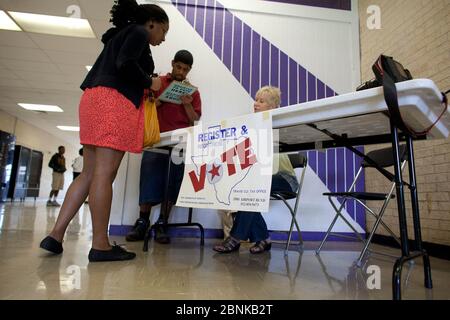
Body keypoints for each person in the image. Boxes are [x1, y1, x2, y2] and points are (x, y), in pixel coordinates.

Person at [39, 0, 169, 262]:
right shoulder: (139, 32)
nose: (163, 38)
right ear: (152, 23)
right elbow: (126, 64)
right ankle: (100, 245)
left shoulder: (120, 35)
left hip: (93, 100)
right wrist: (151, 82)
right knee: (103, 174)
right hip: (114, 103)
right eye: (164, 31)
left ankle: (55, 235)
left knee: (88, 173)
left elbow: (120, 65)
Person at [126, 49, 202, 244]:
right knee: (149, 179)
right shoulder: (157, 83)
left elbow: (195, 118)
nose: (181, 72)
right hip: (156, 140)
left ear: (189, 70)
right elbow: (143, 108)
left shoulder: (192, 91)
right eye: (179, 67)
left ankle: (162, 223)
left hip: (180, 144)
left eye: (185, 69)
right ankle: (142, 222)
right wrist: (161, 100)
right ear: (172, 63)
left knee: (172, 183)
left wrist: (186, 104)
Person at [213, 86, 299, 254]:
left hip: (285, 180)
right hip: (263, 178)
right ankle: (263, 238)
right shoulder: (253, 127)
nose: (256, 104)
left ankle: (235, 238)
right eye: (256, 100)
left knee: (250, 189)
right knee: (240, 190)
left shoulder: (278, 123)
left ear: (273, 107)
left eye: (261, 101)